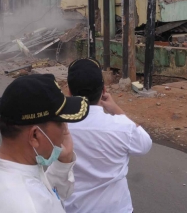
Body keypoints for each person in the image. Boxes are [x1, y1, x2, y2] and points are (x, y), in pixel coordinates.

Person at [0, 74, 90, 213]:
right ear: (34, 135)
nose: (65, 130)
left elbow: (46, 195)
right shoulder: (27, 206)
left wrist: (63, 162)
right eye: (60, 123)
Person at [64, 58, 152, 213]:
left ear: (69, 92)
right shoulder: (122, 127)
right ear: (104, 90)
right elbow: (145, 144)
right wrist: (117, 110)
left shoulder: (58, 129)